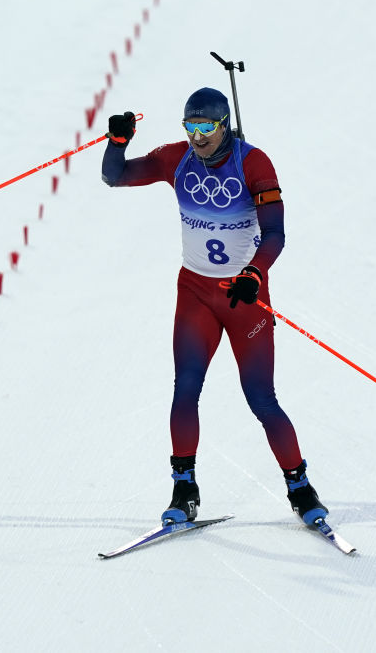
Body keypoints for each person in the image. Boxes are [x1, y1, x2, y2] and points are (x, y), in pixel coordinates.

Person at [101, 87, 328, 527]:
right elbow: (116, 177)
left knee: (261, 398)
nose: (198, 136)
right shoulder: (176, 159)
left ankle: (300, 486)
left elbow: (276, 233)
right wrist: (117, 141)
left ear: (224, 125)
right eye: (191, 126)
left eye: (207, 126)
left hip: (244, 297)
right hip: (196, 294)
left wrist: (254, 273)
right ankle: (183, 488)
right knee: (185, 388)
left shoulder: (253, 163)